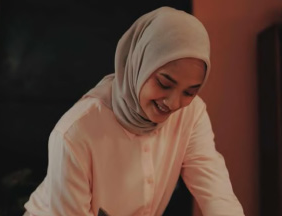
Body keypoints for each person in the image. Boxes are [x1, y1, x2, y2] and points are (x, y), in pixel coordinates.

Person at [23, 6, 245, 216]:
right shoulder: (75, 132)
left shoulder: (192, 114)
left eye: (189, 92)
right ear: (140, 63)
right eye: (164, 84)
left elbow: (216, 191)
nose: (174, 103)